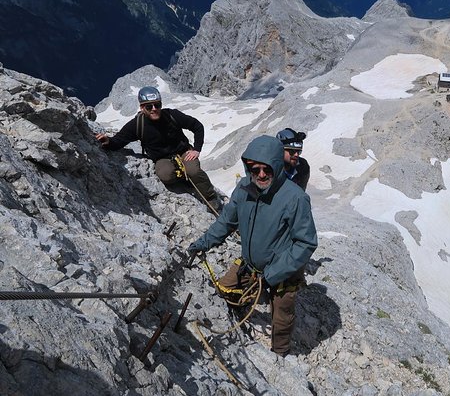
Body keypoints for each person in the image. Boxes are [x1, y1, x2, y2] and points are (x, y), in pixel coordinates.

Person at [188, 135, 318, 356]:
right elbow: (226, 221)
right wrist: (202, 244)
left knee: (282, 315)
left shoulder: (295, 198)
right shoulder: (245, 187)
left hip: (283, 271)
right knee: (224, 290)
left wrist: (272, 275)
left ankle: (280, 353)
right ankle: (242, 306)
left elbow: (305, 243)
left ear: (276, 166)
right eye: (254, 169)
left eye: (266, 169)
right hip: (251, 265)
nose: (260, 175)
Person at [95, 86, 219, 211]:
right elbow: (120, 140)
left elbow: (197, 126)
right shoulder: (137, 125)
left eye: (157, 105)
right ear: (142, 108)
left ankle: (211, 198)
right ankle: (183, 177)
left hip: (183, 151)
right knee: (165, 175)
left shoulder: (171, 115)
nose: (154, 109)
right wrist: (108, 142)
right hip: (162, 158)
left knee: (193, 170)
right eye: (149, 106)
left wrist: (196, 149)